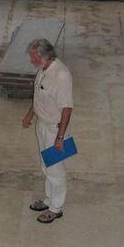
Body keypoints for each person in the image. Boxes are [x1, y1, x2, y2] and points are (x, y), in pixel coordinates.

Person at [21, 38, 73, 224]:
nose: (32, 61)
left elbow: (67, 108)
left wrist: (60, 137)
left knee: (55, 170)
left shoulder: (61, 75)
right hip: (42, 125)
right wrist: (30, 114)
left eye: (34, 58)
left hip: (54, 130)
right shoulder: (43, 70)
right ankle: (49, 200)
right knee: (46, 166)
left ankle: (56, 208)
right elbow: (39, 95)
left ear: (47, 56)